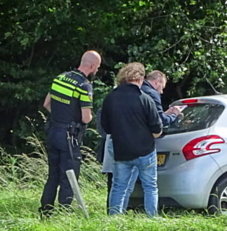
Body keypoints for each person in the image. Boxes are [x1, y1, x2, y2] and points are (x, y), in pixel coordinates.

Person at [40, 51, 101, 215]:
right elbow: (86, 118)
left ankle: (46, 212)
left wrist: (60, 117)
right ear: (93, 66)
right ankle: (64, 213)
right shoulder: (84, 85)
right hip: (69, 136)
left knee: (53, 174)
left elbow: (47, 104)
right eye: (98, 67)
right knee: (69, 175)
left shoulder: (60, 78)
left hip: (53, 131)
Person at [101, 62, 163, 216]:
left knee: (119, 186)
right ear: (140, 79)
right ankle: (152, 218)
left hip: (121, 151)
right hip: (145, 151)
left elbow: (106, 127)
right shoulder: (145, 99)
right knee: (150, 186)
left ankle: (114, 220)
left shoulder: (110, 98)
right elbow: (157, 129)